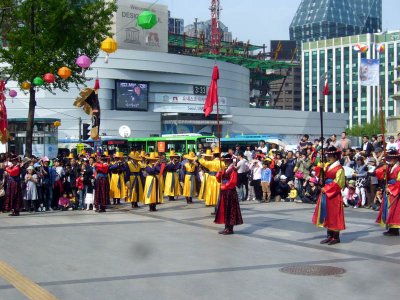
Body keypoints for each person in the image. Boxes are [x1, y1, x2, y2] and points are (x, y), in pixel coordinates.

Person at [312, 146, 346, 245]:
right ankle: (329, 235)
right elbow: (320, 177)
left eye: (330, 156)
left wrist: (326, 189)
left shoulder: (340, 169)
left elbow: (339, 183)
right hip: (326, 192)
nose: (328, 157)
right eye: (328, 156)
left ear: (335, 156)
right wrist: (321, 169)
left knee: (334, 214)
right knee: (327, 213)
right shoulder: (328, 166)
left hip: (333, 194)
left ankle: (336, 236)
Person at [215, 154, 243, 235]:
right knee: (225, 208)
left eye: (226, 160)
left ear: (230, 161)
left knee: (230, 209)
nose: (225, 162)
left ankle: (230, 228)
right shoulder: (225, 168)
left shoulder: (233, 169)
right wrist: (219, 173)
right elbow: (219, 179)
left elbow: (233, 181)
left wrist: (225, 186)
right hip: (224, 191)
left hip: (230, 191)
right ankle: (226, 227)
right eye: (224, 161)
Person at [376, 149, 400, 236]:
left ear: (396, 159)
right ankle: (390, 228)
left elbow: (399, 182)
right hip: (388, 190)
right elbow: (378, 174)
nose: (390, 160)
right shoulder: (389, 167)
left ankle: (395, 229)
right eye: (389, 158)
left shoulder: (398, 168)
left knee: (394, 210)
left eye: (391, 159)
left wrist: (391, 189)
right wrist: (383, 168)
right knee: (388, 210)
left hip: (394, 192)